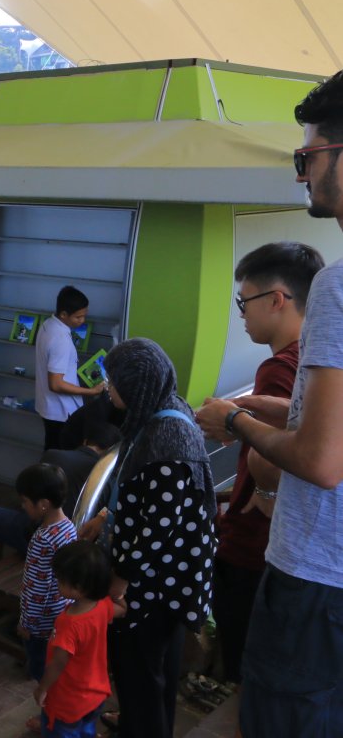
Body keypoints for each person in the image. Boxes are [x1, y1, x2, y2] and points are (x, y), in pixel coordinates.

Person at [194, 74, 343, 737]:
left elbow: (320, 458)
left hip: (315, 573)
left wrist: (235, 422)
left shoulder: (339, 286)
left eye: (307, 157)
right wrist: (267, 406)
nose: (302, 175)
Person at [212, 242, 320, 684]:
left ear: (276, 300)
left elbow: (272, 457)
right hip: (286, 545)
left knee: (243, 664)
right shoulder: (313, 360)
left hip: (254, 544)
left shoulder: (277, 368)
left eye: (245, 301)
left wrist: (233, 421)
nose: (242, 313)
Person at [104, 337, 215, 738]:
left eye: (112, 381)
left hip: (156, 583)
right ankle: (141, 721)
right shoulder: (162, 412)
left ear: (136, 385)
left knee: (139, 671)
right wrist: (105, 517)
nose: (107, 388)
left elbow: (157, 532)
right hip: (166, 580)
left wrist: (120, 579)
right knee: (157, 668)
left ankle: (144, 725)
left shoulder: (167, 445)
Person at [0, 422, 121, 564]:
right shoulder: (110, 479)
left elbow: (32, 497)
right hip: (79, 545)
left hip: (41, 534)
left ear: (85, 441)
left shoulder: (53, 455)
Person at [33, 541, 126, 738]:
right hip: (95, 695)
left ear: (78, 588)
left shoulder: (69, 624)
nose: (57, 583)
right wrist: (116, 592)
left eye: (60, 580)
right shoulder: (102, 606)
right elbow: (124, 609)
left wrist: (43, 688)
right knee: (86, 730)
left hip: (67, 701)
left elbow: (58, 663)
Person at [15, 464, 78, 707]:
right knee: (56, 670)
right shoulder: (68, 526)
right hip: (59, 616)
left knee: (42, 672)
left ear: (42, 504)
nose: (22, 506)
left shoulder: (43, 538)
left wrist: (26, 623)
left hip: (40, 625)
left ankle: (52, 715)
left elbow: (38, 588)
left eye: (24, 501)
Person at [35, 286, 105, 450]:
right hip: (61, 411)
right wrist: (92, 391)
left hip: (49, 407)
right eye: (78, 317)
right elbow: (56, 384)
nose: (82, 321)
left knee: (52, 451)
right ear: (63, 314)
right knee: (60, 458)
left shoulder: (48, 324)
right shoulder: (60, 340)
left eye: (84, 315)